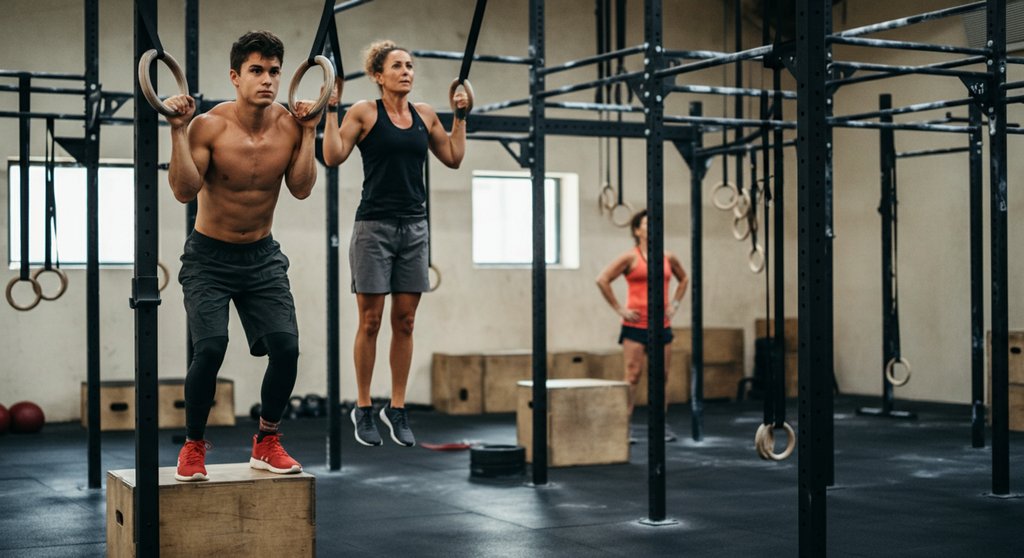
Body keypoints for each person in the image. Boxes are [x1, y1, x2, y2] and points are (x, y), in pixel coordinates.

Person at [163, 30, 322, 481]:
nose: (268, 80)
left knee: (287, 348)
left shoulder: (290, 126)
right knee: (210, 348)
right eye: (257, 70)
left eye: (274, 71)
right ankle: (193, 446)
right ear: (235, 76)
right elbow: (182, 191)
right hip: (208, 258)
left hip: (262, 256)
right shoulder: (209, 126)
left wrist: (310, 131)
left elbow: (302, 188)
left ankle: (267, 440)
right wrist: (177, 129)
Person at [322, 40, 468, 447]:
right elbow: (332, 156)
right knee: (370, 321)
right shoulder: (364, 112)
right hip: (374, 227)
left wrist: (460, 115)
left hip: (415, 228)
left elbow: (454, 157)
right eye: (397, 66)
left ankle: (397, 408)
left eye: (410, 65)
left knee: (405, 321)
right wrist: (332, 108)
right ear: (377, 75)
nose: (406, 71)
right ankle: (364, 406)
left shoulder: (424, 115)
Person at [596, 209, 688, 443]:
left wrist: (675, 304)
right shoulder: (630, 257)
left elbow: (684, 278)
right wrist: (620, 309)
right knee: (633, 375)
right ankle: (624, 427)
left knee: (662, 376)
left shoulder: (668, 257)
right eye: (646, 224)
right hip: (635, 325)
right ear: (637, 231)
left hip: (662, 325)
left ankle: (660, 426)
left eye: (655, 222)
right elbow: (602, 279)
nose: (651, 227)